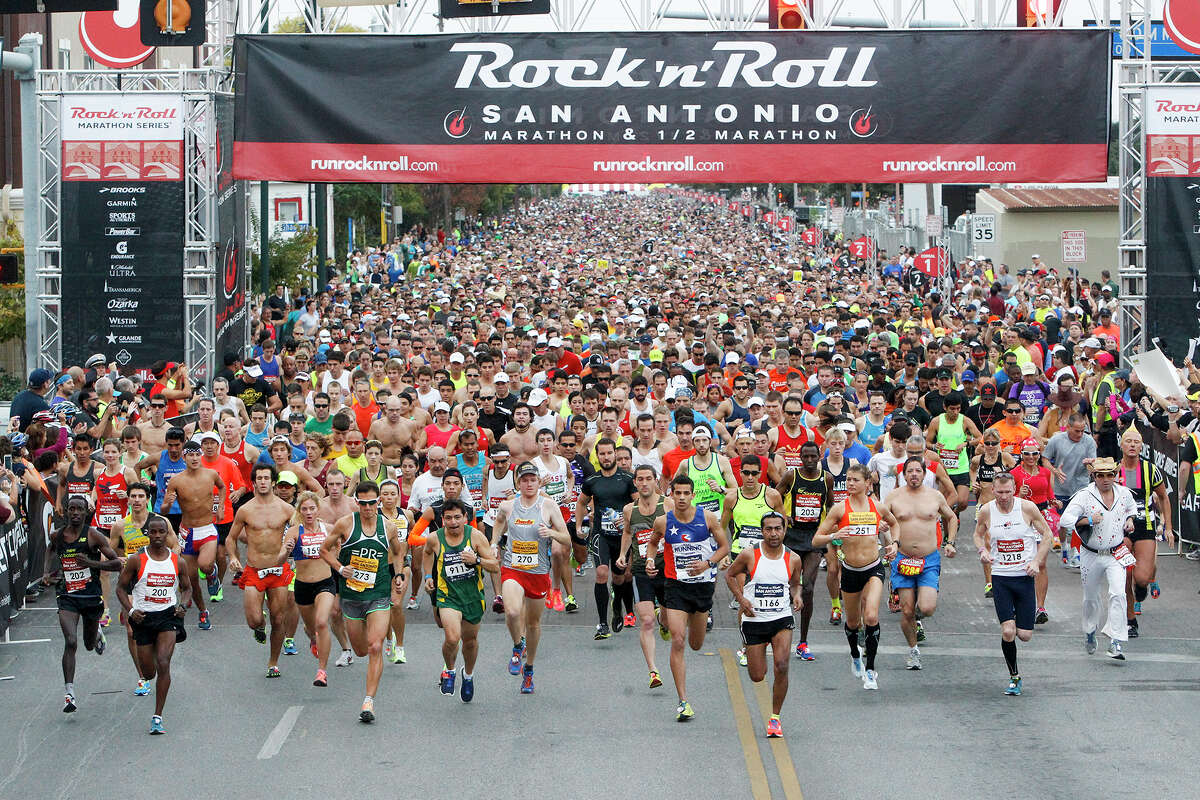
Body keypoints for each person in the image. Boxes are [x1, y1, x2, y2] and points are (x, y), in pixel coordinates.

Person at [645, 473, 731, 722]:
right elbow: (653, 543)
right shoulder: (663, 521)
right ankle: (683, 701)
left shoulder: (707, 517)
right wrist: (650, 560)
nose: (681, 497)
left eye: (686, 493)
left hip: (702, 587)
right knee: (678, 640)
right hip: (676, 586)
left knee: (696, 644)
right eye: (677, 493)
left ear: (693, 495)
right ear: (671, 494)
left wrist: (708, 563)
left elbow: (724, 547)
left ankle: (668, 618)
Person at [321, 480, 407, 722]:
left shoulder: (388, 527)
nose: (368, 508)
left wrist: (398, 575)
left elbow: (398, 551)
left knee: (375, 647)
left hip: (378, 592)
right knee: (360, 650)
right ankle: (372, 634)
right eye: (363, 503)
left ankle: (368, 701)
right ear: (356, 502)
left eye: (372, 503)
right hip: (352, 596)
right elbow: (324, 550)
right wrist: (340, 568)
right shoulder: (346, 524)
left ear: (378, 502)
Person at [812, 464, 899, 690]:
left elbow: (894, 523)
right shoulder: (839, 509)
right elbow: (816, 539)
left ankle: (870, 670)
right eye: (848, 479)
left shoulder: (877, 507)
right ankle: (854, 654)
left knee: (871, 616)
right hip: (850, 571)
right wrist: (834, 534)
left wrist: (895, 544)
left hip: (873, 568)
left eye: (855, 480)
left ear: (867, 483)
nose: (850, 483)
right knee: (853, 622)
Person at [490, 461, 570, 694]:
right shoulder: (508, 506)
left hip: (537, 572)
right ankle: (518, 646)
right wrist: (494, 543)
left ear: (538, 482)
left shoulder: (549, 506)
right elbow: (499, 522)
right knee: (513, 611)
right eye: (524, 480)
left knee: (533, 624)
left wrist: (551, 532)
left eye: (532, 480)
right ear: (518, 483)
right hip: (513, 569)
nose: (528, 484)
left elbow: (566, 539)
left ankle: (529, 669)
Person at [974, 472, 1054, 696]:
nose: (1003, 497)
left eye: (1008, 492)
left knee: (1025, 635)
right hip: (1001, 577)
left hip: (1024, 577)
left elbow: (1047, 535)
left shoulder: (1027, 508)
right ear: (992, 490)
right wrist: (982, 551)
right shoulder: (987, 510)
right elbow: (977, 535)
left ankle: (1018, 616)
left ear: (1014, 490)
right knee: (1008, 631)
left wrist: (1036, 561)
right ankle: (1014, 677)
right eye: (999, 492)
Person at [724, 511, 802, 738]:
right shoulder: (750, 554)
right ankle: (758, 649)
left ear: (785, 530)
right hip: (754, 619)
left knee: (782, 665)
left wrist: (797, 596)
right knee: (757, 675)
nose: (773, 533)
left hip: (781, 618)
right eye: (769, 529)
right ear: (762, 531)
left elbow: (795, 583)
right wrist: (742, 600)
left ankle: (775, 718)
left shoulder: (793, 558)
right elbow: (730, 575)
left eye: (778, 528)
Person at [44, 496, 122, 713]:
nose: (75, 513)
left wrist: (91, 563)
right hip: (67, 596)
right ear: (66, 511)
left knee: (88, 645)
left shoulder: (93, 535)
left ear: (87, 512)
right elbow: (50, 549)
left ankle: (96, 633)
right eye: (72, 509)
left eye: (80, 509)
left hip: (90, 596)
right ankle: (69, 693)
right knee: (71, 641)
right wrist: (45, 572)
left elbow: (116, 563)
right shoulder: (58, 535)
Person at [1057, 458, 1138, 661]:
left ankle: (1116, 640)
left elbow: (1131, 510)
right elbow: (1065, 519)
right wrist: (1088, 520)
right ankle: (1090, 630)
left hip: (1116, 553)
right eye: (1101, 475)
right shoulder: (1084, 495)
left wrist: (1129, 521)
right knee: (1091, 598)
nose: (1105, 479)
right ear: (1094, 476)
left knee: (1118, 593)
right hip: (1091, 554)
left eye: (1110, 474)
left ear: (1115, 475)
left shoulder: (1124, 493)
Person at [115, 516, 190, 734]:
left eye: (161, 532)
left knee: (164, 663)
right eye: (153, 532)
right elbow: (120, 588)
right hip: (143, 618)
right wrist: (131, 611)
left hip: (168, 617)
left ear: (167, 534)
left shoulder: (178, 561)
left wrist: (183, 605)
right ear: (147, 533)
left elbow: (187, 588)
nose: (157, 536)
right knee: (149, 673)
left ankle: (157, 716)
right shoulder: (137, 560)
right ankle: (153, 657)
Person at [883, 457, 959, 669]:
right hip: (903, 558)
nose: (914, 474)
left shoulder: (935, 496)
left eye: (918, 471)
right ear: (904, 474)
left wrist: (950, 542)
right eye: (910, 471)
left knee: (927, 608)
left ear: (925, 474)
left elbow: (952, 517)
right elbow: (883, 521)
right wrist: (890, 542)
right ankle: (913, 650)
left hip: (928, 560)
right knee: (906, 610)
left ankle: (915, 618)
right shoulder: (894, 497)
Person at [422, 498, 499, 702]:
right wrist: (428, 576)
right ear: (442, 519)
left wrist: (477, 560)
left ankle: (468, 675)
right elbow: (427, 554)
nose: (453, 522)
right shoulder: (435, 538)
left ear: (465, 517)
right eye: (448, 518)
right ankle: (450, 671)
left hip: (472, 597)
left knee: (470, 642)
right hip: (448, 597)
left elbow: (495, 566)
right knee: (452, 638)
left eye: (457, 517)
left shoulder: (475, 537)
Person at [226, 463, 298, 677]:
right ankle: (259, 627)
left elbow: (301, 531)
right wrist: (233, 557)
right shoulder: (245, 510)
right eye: (260, 478)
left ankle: (273, 663)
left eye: (267, 478)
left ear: (273, 482)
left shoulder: (286, 509)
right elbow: (230, 538)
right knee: (254, 620)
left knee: (278, 618)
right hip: (255, 570)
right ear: (254, 482)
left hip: (278, 570)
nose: (263, 482)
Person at [107, 482, 178, 696]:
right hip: (132, 581)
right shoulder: (120, 525)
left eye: (140, 496)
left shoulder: (160, 522)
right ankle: (142, 677)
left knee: (154, 628)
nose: (137, 500)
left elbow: (175, 546)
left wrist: (168, 564)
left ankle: (152, 655)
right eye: (133, 496)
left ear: (147, 499)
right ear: (128, 499)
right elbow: (108, 552)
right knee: (131, 631)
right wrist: (117, 559)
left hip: (156, 580)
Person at [720, 454, 783, 665]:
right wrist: (722, 555)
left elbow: (782, 525)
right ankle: (746, 645)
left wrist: (781, 553)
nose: (749, 477)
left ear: (760, 474)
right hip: (740, 555)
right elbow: (721, 529)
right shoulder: (732, 498)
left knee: (763, 600)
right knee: (746, 599)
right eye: (745, 473)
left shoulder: (772, 496)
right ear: (740, 473)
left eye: (754, 473)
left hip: (766, 555)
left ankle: (764, 638)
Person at [160, 440, 225, 630]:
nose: (195, 458)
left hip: (207, 529)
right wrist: (168, 502)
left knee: (205, 565)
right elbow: (164, 510)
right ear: (184, 457)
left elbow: (222, 487)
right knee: (190, 579)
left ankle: (212, 573)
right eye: (191, 455)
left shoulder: (211, 474)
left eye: (197, 454)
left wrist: (221, 506)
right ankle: (203, 611)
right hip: (187, 532)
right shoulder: (176, 480)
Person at [776, 440, 831, 660]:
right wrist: (783, 516)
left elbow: (830, 505)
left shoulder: (826, 478)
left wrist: (829, 531)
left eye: (813, 456)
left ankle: (803, 641)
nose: (809, 460)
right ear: (800, 457)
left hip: (814, 538)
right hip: (792, 536)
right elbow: (775, 497)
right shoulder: (791, 476)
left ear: (819, 457)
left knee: (807, 586)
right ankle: (778, 628)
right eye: (805, 456)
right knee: (785, 585)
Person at [576, 438, 637, 639]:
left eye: (609, 453)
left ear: (615, 454)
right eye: (602, 454)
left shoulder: (628, 479)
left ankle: (617, 608)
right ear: (597, 456)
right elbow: (581, 502)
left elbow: (639, 504)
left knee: (620, 578)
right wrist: (579, 525)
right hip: (600, 535)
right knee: (602, 572)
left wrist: (627, 519)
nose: (606, 457)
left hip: (623, 537)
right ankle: (602, 623)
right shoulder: (592, 481)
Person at [616, 464, 667, 689]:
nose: (644, 483)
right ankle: (653, 671)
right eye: (640, 479)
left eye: (648, 478)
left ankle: (663, 618)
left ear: (656, 480)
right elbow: (628, 532)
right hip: (640, 569)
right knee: (646, 621)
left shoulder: (668, 505)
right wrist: (622, 554)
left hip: (666, 569)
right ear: (635, 482)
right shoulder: (629, 509)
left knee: (667, 621)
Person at [288, 491, 339, 686]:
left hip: (325, 583)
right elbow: (280, 558)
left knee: (321, 622)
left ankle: (321, 671)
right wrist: (287, 550)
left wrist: (338, 563)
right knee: (311, 628)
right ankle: (312, 638)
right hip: (302, 586)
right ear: (299, 511)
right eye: (305, 509)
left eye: (312, 508)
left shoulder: (329, 529)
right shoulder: (294, 531)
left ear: (318, 509)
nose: (309, 512)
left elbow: (338, 547)